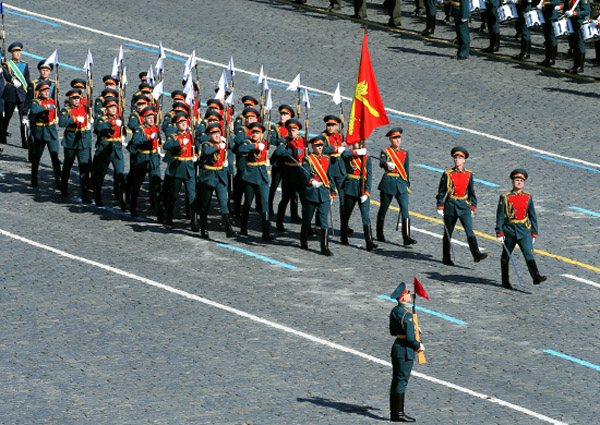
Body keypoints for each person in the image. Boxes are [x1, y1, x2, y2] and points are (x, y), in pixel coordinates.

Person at [496, 169, 547, 289]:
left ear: (523, 183)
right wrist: (499, 232)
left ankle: (536, 276)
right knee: (505, 256)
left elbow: (532, 215)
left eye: (521, 181)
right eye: (516, 180)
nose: (518, 182)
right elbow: (500, 216)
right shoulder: (505, 197)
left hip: (524, 230)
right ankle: (505, 281)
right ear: (512, 182)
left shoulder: (528, 197)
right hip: (509, 231)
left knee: (528, 254)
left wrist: (534, 232)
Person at [436, 147, 487, 265]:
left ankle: (476, 254)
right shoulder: (448, 174)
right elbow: (441, 191)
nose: (457, 160)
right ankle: (446, 257)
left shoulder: (468, 174)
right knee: (448, 233)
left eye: (460, 158)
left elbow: (471, 192)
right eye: (456, 158)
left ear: (464, 160)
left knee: (470, 231)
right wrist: (440, 205)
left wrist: (473, 207)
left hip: (464, 206)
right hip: (451, 206)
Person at [388, 282, 424, 423]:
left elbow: (392, 330)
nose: (410, 295)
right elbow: (410, 338)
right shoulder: (407, 315)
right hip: (405, 350)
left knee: (396, 380)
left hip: (397, 346)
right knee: (402, 381)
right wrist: (418, 346)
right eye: (408, 294)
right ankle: (398, 414)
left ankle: (395, 412)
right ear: (403, 298)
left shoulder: (395, 311)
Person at [376, 128, 417, 246]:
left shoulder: (405, 152)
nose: (397, 140)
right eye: (395, 138)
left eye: (398, 138)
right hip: (388, 182)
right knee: (383, 209)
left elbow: (406, 169)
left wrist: (407, 183)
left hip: (401, 183)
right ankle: (379, 233)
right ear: (390, 140)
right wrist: (386, 164)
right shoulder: (386, 152)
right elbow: (381, 162)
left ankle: (406, 237)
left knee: (405, 210)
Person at [162, 112, 200, 230]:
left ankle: (194, 221)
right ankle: (168, 217)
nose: (184, 124)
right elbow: (166, 146)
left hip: (189, 169)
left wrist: (196, 156)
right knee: (173, 195)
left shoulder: (191, 135)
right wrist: (179, 142)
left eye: (185, 122)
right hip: (177, 169)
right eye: (181, 123)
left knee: (192, 195)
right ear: (176, 125)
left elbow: (197, 148)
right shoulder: (173, 136)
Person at [197, 122, 236, 238]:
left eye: (218, 133)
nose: (216, 135)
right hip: (208, 177)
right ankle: (203, 228)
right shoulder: (206, 144)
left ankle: (228, 228)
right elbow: (207, 152)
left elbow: (233, 148)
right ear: (209, 135)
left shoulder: (223, 143)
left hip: (221, 176)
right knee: (205, 204)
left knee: (224, 202)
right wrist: (219, 146)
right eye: (213, 134)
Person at [300, 135, 337, 256]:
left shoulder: (327, 159)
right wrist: (311, 181)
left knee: (323, 221)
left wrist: (333, 192)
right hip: (312, 193)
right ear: (313, 147)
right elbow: (305, 173)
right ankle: (303, 239)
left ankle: (324, 246)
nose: (320, 148)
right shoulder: (308, 159)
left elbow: (330, 176)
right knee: (307, 218)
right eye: (317, 146)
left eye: (321, 146)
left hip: (324, 193)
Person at [238, 122, 273, 241]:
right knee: (248, 202)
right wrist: (256, 147)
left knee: (264, 203)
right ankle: (243, 227)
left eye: (257, 133)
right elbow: (241, 149)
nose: (254, 134)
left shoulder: (264, 143)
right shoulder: (248, 142)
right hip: (250, 176)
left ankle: (266, 231)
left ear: (262, 135)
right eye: (253, 132)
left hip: (262, 175)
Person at [340, 143, 378, 251]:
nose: (358, 144)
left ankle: (369, 241)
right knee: (347, 213)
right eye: (356, 142)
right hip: (351, 188)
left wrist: (367, 192)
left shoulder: (367, 157)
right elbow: (343, 155)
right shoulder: (350, 154)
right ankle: (343, 236)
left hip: (362, 189)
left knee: (366, 215)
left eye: (360, 142)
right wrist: (356, 152)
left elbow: (369, 176)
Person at [128, 105, 163, 221]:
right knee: (137, 185)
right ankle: (132, 208)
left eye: (152, 117)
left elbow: (159, 141)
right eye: (149, 118)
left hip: (153, 158)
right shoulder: (139, 129)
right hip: (142, 158)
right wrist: (149, 137)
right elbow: (136, 140)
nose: (151, 119)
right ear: (144, 119)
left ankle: (159, 213)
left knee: (156, 185)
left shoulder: (155, 128)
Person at [58, 89, 92, 202]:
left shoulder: (84, 108)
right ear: (70, 99)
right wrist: (74, 119)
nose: (76, 100)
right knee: (67, 166)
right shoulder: (65, 110)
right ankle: (63, 189)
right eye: (74, 99)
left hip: (83, 142)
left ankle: (85, 193)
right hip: (71, 142)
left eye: (78, 98)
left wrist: (90, 120)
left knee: (84, 168)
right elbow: (62, 123)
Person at [93, 97, 127, 210]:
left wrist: (123, 134)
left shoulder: (119, 117)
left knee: (120, 174)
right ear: (106, 109)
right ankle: (97, 197)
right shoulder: (102, 118)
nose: (113, 109)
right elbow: (98, 127)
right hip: (104, 149)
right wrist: (112, 122)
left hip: (116, 148)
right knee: (100, 174)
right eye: (111, 107)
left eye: (114, 107)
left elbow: (123, 130)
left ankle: (123, 201)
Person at [275, 118, 307, 231]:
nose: (291, 132)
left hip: (300, 175)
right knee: (285, 200)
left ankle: (307, 226)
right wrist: (290, 152)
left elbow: (303, 155)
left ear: (298, 131)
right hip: (288, 174)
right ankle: (279, 223)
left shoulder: (303, 141)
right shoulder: (284, 141)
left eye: (294, 130)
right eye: (289, 130)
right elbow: (278, 153)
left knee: (305, 201)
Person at [1, 42, 33, 148]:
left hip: (22, 94)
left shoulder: (24, 64)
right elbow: (6, 75)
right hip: (11, 94)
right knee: (7, 117)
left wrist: (31, 90)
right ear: (12, 53)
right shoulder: (7, 64)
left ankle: (25, 141)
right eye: (16, 52)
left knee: (23, 118)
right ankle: (2, 135)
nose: (18, 53)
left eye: (19, 51)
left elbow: (27, 79)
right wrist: (12, 80)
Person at [29, 81, 61, 189]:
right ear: (40, 92)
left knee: (55, 156)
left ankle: (58, 180)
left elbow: (58, 110)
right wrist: (46, 107)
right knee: (37, 157)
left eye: (48, 91)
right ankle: (34, 179)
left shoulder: (52, 100)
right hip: (40, 131)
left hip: (51, 130)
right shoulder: (35, 101)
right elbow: (34, 110)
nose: (46, 93)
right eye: (44, 91)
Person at [564, 0, 591, 73]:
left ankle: (580, 67)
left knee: (580, 45)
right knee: (574, 45)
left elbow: (586, 11)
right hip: (571, 23)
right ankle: (575, 66)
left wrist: (575, 13)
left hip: (579, 24)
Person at [537, 0, 562, 66]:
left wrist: (544, 5)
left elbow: (556, 2)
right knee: (547, 38)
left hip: (551, 16)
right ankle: (548, 58)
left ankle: (551, 59)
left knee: (551, 38)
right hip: (545, 16)